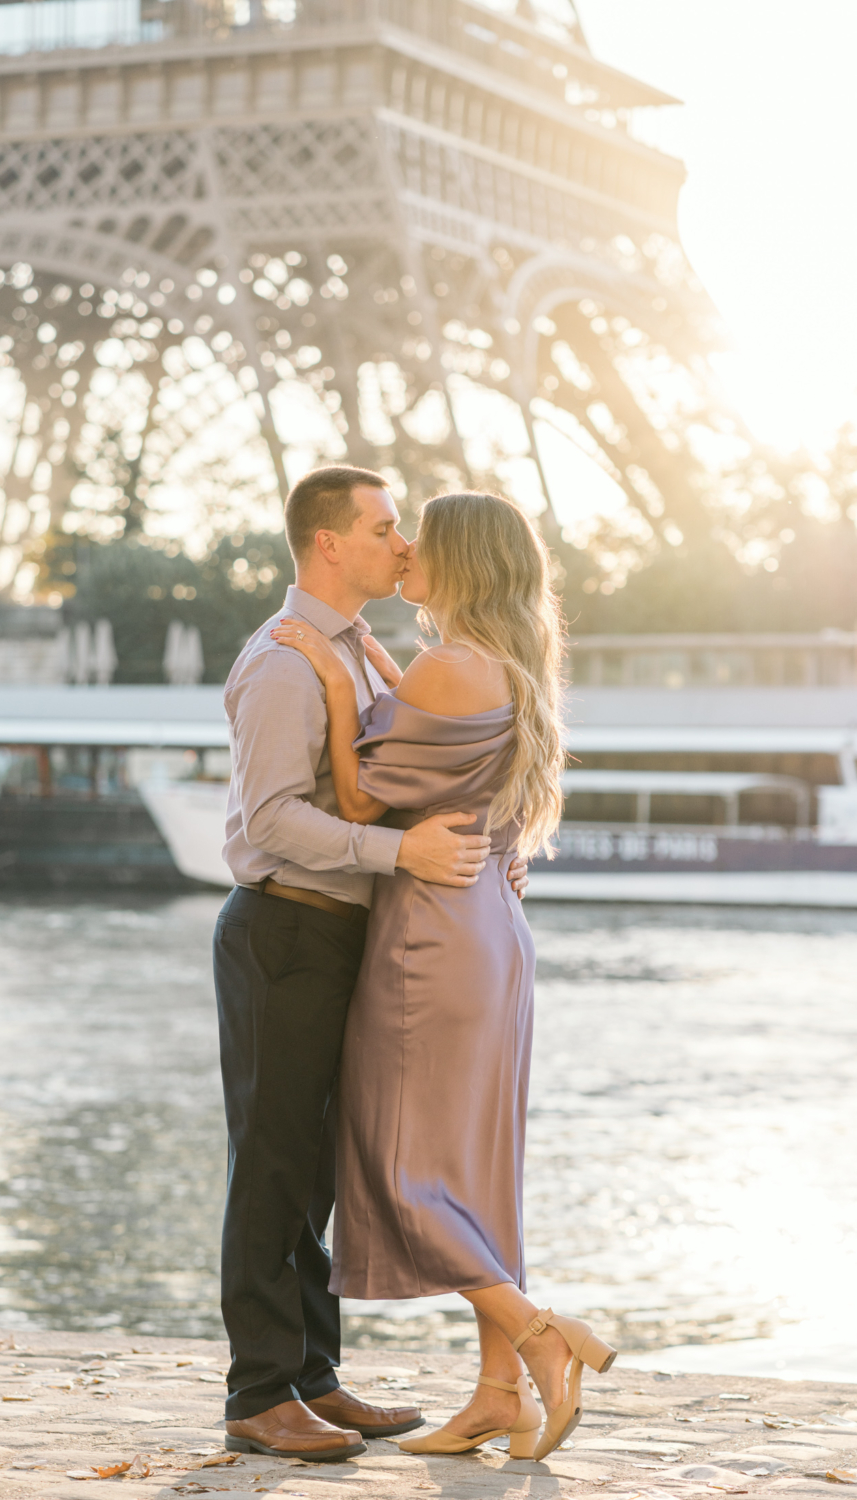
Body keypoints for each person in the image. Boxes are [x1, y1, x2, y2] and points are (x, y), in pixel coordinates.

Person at [271, 490, 617, 1464]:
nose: (407, 547)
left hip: (429, 935)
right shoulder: (500, 665)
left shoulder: (447, 665)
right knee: (474, 1169)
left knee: (397, 1162)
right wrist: (378, 669)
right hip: (493, 932)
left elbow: (358, 793)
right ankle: (496, 1393)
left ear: (460, 562)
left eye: (423, 535)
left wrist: (336, 688)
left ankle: (544, 1336)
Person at [214, 466, 532, 1464]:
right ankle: (260, 1391)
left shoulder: (361, 653)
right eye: (386, 527)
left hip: (350, 934)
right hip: (288, 926)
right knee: (271, 1163)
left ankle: (313, 1377)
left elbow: (418, 760)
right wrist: (403, 853)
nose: (403, 544)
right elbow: (272, 821)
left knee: (317, 1168)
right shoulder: (283, 662)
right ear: (328, 543)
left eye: (407, 530)